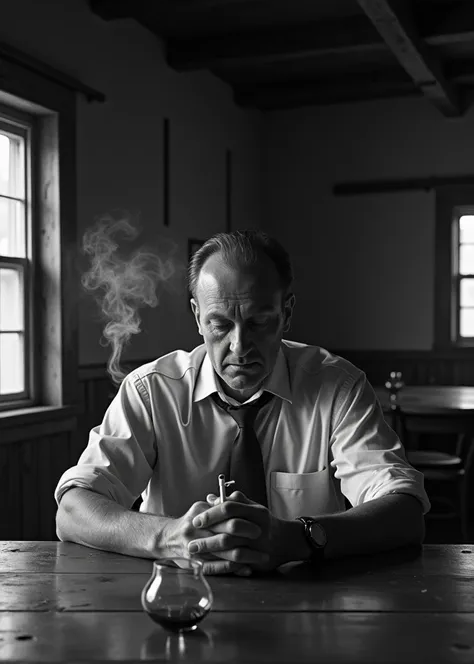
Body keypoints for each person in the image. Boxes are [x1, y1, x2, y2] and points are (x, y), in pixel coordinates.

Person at [55, 229, 430, 576]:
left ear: (286, 314)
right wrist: (169, 536)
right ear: (197, 316)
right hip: (177, 602)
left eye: (258, 322)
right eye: (220, 324)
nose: (239, 347)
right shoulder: (151, 391)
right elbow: (73, 511)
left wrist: (296, 538)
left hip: (311, 609)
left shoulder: (338, 387)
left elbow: (406, 511)